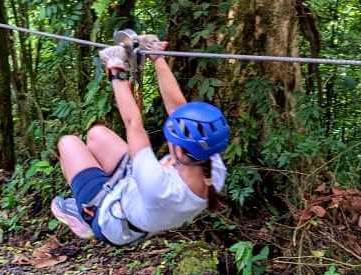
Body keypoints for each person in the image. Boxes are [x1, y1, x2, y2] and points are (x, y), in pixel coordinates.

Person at [51, 34, 229, 246]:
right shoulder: (212, 166)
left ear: (180, 153)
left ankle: (84, 215)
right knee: (97, 134)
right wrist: (158, 59)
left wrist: (115, 71)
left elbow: (132, 123)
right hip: (133, 188)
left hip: (109, 217)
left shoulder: (159, 187)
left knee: (68, 143)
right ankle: (90, 196)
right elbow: (178, 110)